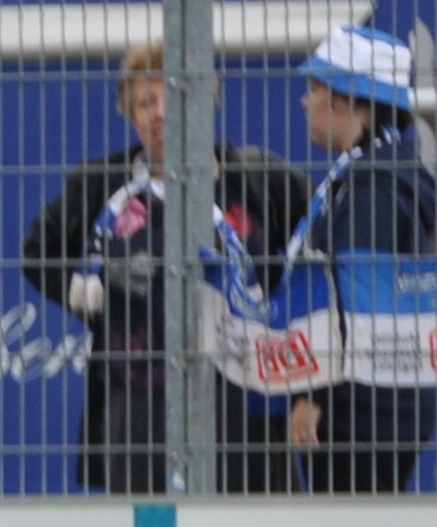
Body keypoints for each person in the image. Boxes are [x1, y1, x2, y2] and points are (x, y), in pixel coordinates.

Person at [17, 40, 303, 495]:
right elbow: (37, 251)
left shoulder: (256, 179)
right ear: (130, 115)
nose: (159, 114)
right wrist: (84, 294)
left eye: (171, 97)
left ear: (205, 98)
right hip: (138, 408)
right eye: (145, 103)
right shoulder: (102, 185)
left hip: (244, 401)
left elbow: (305, 267)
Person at [280, 28, 437, 496]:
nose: (304, 102)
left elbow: (356, 298)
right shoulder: (380, 169)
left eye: (314, 90)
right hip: (375, 402)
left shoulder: (373, 185)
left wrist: (316, 394)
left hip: (359, 409)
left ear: (349, 102)